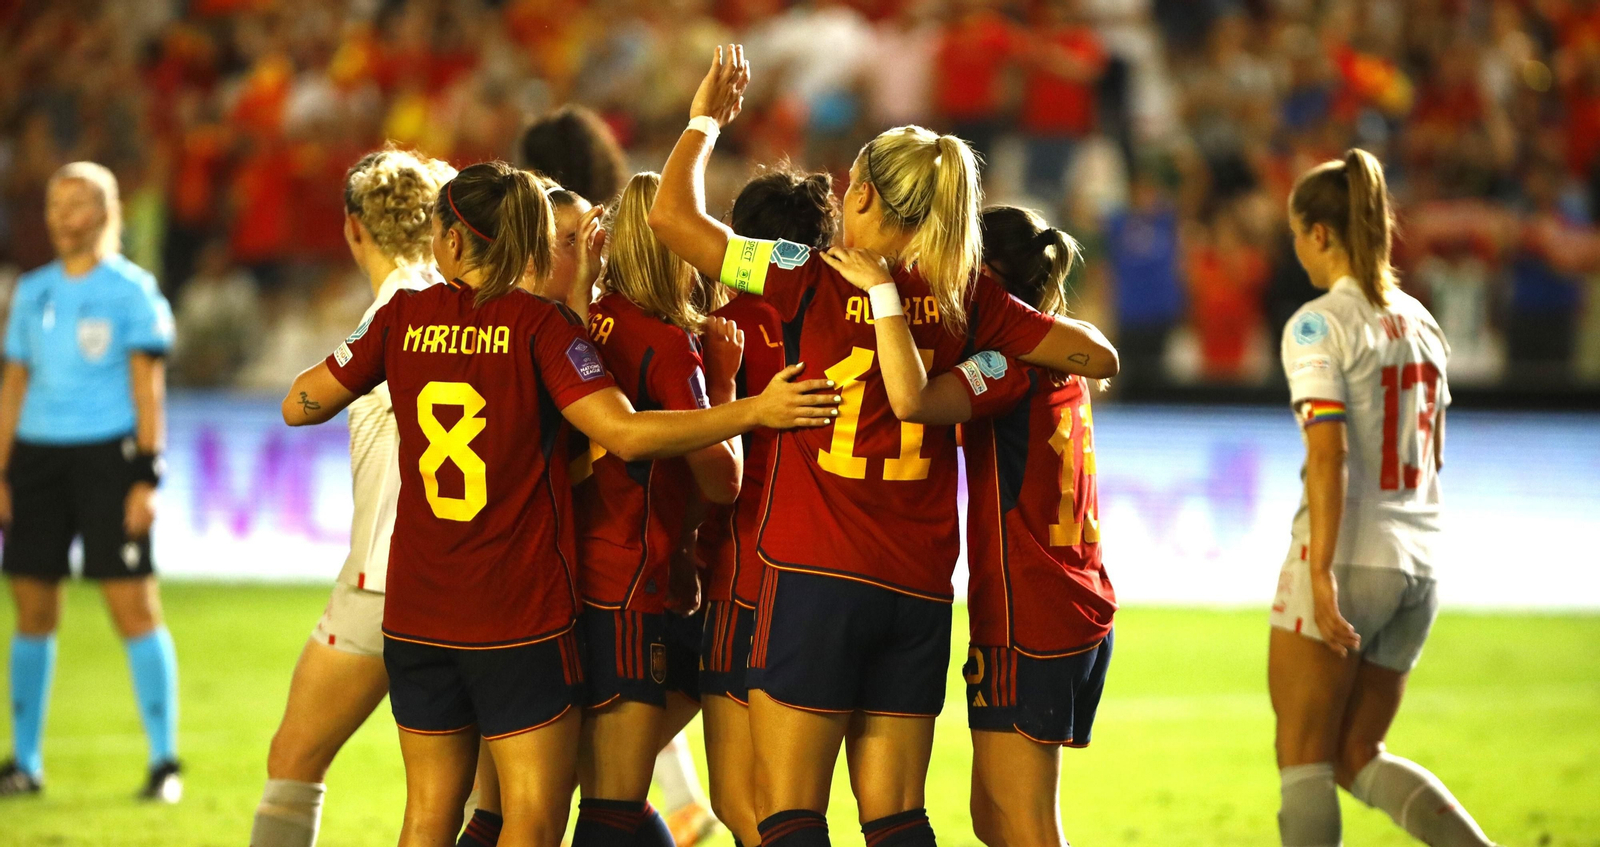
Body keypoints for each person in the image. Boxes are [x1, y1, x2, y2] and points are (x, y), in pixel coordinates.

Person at [283, 160, 837, 847]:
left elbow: (299, 402)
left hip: (419, 612)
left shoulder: (401, 317)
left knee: (432, 811)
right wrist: (752, 408)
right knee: (540, 817)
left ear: (455, 243)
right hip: (518, 612)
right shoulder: (540, 328)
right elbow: (628, 432)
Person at [648, 46, 1117, 847]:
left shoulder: (805, 271)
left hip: (815, 577)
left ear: (860, 191)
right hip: (917, 589)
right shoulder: (970, 295)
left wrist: (705, 121)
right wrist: (994, 360)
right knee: (898, 816)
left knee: (787, 812)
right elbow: (1095, 355)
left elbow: (672, 221)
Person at [822, 206, 1115, 847]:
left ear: (984, 277)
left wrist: (883, 299)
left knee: (1026, 825)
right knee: (995, 821)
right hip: (1073, 597)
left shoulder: (1005, 366)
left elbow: (917, 401)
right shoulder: (1061, 357)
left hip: (1030, 608)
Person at [1269, 149, 1498, 847]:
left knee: (1304, 759)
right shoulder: (1423, 323)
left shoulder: (1318, 324)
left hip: (1348, 557)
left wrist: (1319, 571)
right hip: (1420, 562)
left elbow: (1329, 452)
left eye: (1297, 236)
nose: (1298, 253)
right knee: (1356, 754)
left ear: (1320, 233)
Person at [250, 147, 454, 847]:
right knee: (455, 793)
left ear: (352, 229)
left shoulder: (394, 313)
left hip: (382, 580)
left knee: (295, 759)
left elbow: (299, 402)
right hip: (468, 578)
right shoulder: (467, 305)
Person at [567, 170, 744, 847]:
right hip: (634, 584)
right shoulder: (668, 345)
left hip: (579, 570)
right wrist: (726, 380)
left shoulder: (588, 314)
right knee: (612, 803)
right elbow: (722, 478)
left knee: (600, 790)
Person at [0, 162, 181, 802]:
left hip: (108, 458)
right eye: (53, 202)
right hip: (37, 462)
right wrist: (2, 471)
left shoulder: (132, 291)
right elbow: (14, 385)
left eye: (75, 203)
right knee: (32, 611)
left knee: (133, 607)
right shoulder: (31, 290)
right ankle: (23, 762)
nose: (59, 215)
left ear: (105, 214)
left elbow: (147, 387)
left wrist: (146, 477)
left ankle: (164, 763)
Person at [696, 166, 841, 847]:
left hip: (748, 567)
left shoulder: (728, 326)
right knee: (799, 800)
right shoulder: (852, 317)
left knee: (740, 798)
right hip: (833, 569)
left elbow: (711, 469)